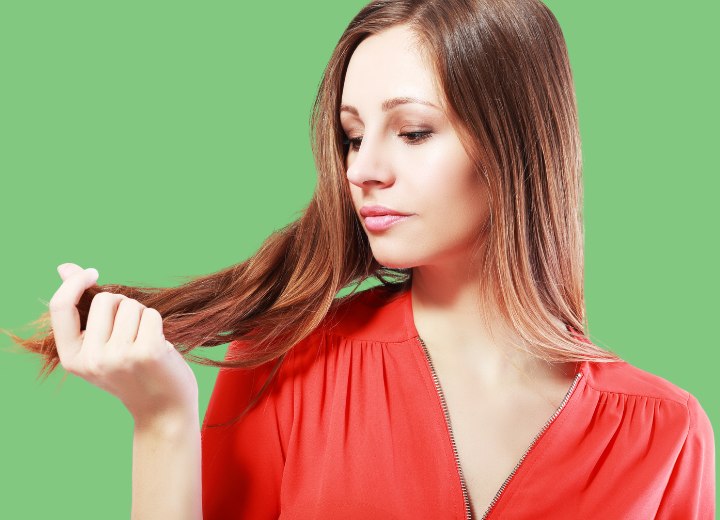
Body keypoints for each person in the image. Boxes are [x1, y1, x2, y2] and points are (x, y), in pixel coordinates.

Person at [8, 0, 714, 518]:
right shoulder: (284, 364)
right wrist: (162, 421)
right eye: (351, 136)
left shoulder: (664, 432)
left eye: (411, 131)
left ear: (517, 146)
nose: (363, 169)